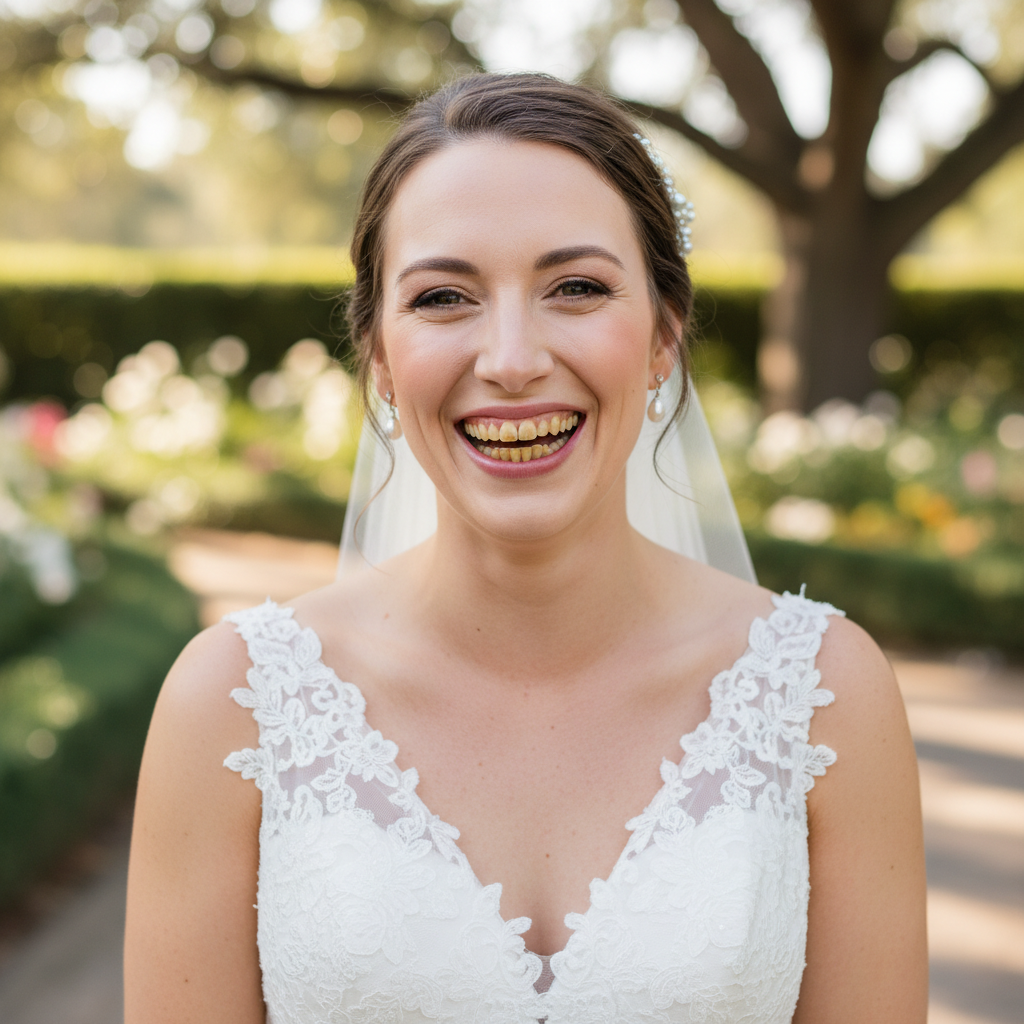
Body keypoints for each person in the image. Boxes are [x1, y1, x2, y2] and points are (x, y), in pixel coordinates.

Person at [124, 73, 927, 1023]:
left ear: (666, 332)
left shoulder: (826, 696)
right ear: (378, 353)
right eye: (444, 297)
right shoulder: (232, 706)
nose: (510, 360)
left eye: (577, 288)